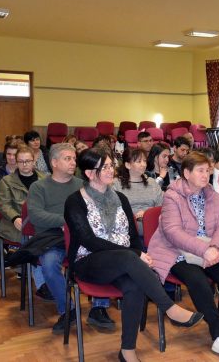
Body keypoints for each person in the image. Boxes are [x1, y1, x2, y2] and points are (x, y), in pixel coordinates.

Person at [65, 148, 203, 362]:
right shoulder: (75, 201)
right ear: (90, 173)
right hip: (88, 261)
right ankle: (169, 308)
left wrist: (137, 252)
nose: (110, 170)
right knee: (129, 256)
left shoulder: (120, 198)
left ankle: (127, 350)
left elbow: (132, 235)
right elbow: (88, 240)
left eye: (111, 165)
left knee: (135, 285)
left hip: (123, 262)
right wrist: (136, 254)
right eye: (104, 167)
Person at [147, 152, 219, 359]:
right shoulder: (172, 195)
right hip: (176, 252)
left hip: (209, 249)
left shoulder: (212, 195)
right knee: (198, 280)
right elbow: (173, 233)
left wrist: (216, 248)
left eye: (208, 170)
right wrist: (205, 250)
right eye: (200, 171)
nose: (205, 175)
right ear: (186, 173)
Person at [27, 143, 114, 333]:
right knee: (49, 264)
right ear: (54, 162)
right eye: (68, 159)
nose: (73, 162)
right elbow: (35, 215)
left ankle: (99, 308)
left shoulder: (83, 184)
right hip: (54, 239)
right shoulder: (39, 187)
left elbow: (97, 211)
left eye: (74, 158)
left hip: (82, 237)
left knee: (104, 256)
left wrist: (75, 223)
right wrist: (69, 220)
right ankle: (68, 309)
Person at [0, 145, 51, 300]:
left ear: (34, 161)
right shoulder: (7, 181)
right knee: (35, 243)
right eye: (21, 161)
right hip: (16, 223)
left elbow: (51, 203)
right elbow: (4, 205)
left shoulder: (45, 179)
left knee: (51, 243)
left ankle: (49, 281)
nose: (24, 164)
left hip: (40, 223)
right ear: (16, 162)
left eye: (28, 161)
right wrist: (15, 218)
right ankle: (42, 285)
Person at [113, 148, 163, 236]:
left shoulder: (152, 182)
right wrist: (133, 216)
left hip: (154, 229)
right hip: (128, 232)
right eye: (139, 161)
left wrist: (147, 214)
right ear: (128, 165)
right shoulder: (116, 184)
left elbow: (161, 207)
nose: (143, 164)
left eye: (144, 161)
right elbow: (115, 211)